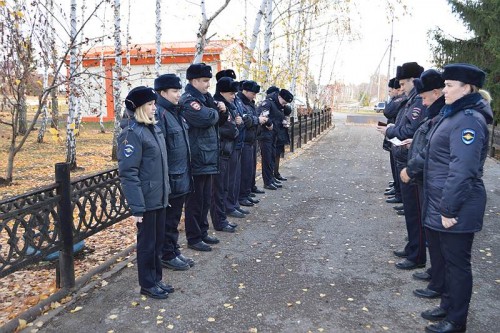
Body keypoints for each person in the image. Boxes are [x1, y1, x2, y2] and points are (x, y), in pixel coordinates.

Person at [420, 63, 492, 333]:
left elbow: (463, 170)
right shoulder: (454, 114)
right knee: (448, 261)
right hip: (443, 200)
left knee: (457, 264)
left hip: (457, 204)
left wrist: (448, 209)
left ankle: (456, 320)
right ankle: (447, 306)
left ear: (468, 88)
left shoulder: (469, 119)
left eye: (450, 85)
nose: (445, 90)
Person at [118, 86, 173, 299]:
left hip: (159, 197)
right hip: (146, 200)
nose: (154, 108)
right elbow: (128, 173)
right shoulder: (131, 133)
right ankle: (147, 284)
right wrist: (137, 207)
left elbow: (160, 165)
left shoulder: (153, 129)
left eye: (154, 104)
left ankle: (156, 279)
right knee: (147, 245)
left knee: (157, 242)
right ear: (140, 107)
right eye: (150, 104)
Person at [399, 69, 445, 299]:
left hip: (433, 180)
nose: (423, 102)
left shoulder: (449, 115)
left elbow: (434, 150)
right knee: (430, 228)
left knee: (437, 236)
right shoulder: (439, 112)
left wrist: (412, 167)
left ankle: (439, 283)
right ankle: (435, 275)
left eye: (425, 97)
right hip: (427, 176)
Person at [378, 61, 427, 270]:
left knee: (415, 210)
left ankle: (416, 254)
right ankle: (412, 247)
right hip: (404, 156)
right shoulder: (412, 98)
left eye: (404, 83)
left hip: (411, 159)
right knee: (410, 209)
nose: (402, 87)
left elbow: (409, 129)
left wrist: (390, 131)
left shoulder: (418, 100)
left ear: (413, 80)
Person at [180, 63, 228, 252]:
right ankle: (193, 237)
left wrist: (221, 111)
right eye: (205, 81)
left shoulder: (205, 98)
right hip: (197, 156)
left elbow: (216, 121)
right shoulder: (189, 100)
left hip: (208, 156)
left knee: (205, 198)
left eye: (208, 80)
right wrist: (216, 111)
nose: (208, 84)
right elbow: (206, 118)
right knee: (195, 201)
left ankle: (203, 231)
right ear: (194, 81)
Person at [155, 73, 194, 271]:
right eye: (175, 91)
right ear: (163, 93)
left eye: (179, 90)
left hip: (181, 175)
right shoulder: (160, 113)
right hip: (171, 178)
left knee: (175, 218)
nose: (179, 94)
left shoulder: (174, 112)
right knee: (169, 219)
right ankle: (167, 254)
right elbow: (160, 150)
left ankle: (173, 250)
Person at [211, 76, 240, 232]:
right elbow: (223, 127)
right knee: (218, 190)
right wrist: (233, 130)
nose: (234, 96)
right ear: (222, 92)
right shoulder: (217, 104)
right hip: (220, 150)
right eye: (231, 93)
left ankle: (222, 218)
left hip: (227, 149)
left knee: (224, 187)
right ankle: (219, 221)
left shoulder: (227, 104)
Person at [237, 80, 267, 204]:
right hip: (244, 140)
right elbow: (247, 120)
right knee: (244, 170)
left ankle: (247, 191)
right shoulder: (240, 102)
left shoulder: (249, 103)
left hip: (251, 139)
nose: (254, 96)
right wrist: (257, 120)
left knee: (250, 169)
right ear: (246, 91)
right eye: (253, 93)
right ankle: (242, 195)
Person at [257, 88, 294, 190]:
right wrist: (269, 124)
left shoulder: (278, 105)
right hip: (265, 135)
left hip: (274, 135)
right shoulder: (268, 103)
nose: (284, 105)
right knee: (267, 159)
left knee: (272, 157)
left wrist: (283, 122)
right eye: (284, 102)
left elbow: (278, 117)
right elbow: (262, 116)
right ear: (279, 97)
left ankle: (271, 179)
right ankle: (267, 182)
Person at [382, 77, 406, 202]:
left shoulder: (402, 99)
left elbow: (388, 111)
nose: (390, 93)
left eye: (391, 91)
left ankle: (400, 194)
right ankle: (398, 190)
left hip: (400, 138)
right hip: (395, 137)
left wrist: (394, 99)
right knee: (395, 165)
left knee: (399, 167)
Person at [274, 104, 292, 181]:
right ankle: (274, 174)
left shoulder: (281, 107)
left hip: (281, 135)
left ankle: (276, 173)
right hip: (276, 135)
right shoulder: (273, 107)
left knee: (277, 155)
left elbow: (288, 110)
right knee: (274, 155)